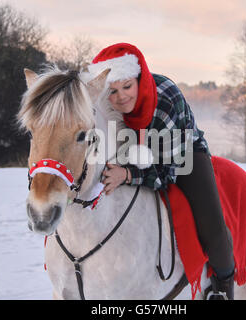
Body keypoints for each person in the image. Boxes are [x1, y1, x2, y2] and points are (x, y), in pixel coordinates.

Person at [85, 43, 235, 300]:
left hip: (182, 154)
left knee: (213, 226)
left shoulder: (167, 98)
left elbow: (170, 170)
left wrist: (128, 175)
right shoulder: (103, 107)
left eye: (127, 87)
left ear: (139, 78)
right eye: (112, 91)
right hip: (132, 148)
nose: (121, 97)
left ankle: (222, 287)